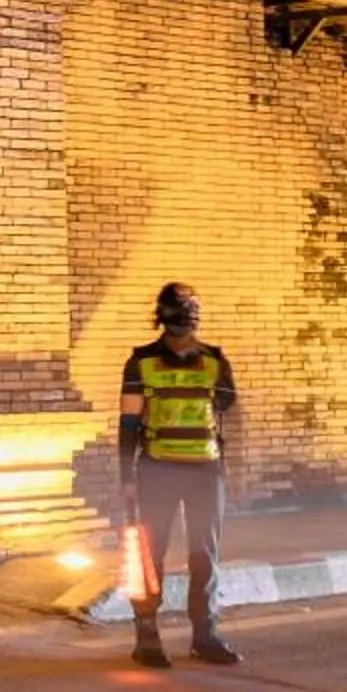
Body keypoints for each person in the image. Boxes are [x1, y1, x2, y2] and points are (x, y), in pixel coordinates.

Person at [118, 281, 242, 668]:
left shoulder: (214, 360)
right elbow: (127, 423)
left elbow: (229, 414)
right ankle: (147, 637)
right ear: (164, 318)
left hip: (205, 471)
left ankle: (204, 637)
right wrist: (126, 477)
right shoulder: (141, 362)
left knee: (204, 554)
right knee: (150, 555)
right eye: (180, 314)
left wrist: (232, 469)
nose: (184, 324)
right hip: (157, 470)